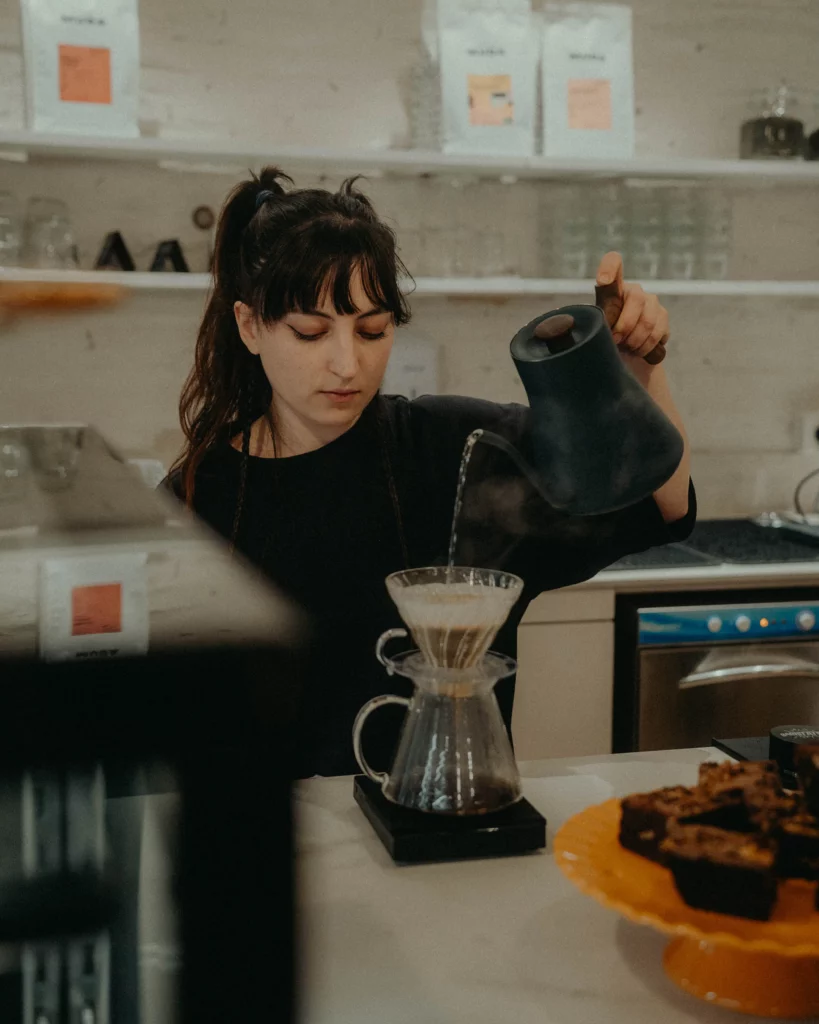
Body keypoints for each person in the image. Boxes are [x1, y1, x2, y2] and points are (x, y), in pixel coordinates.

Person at [169, 167, 694, 778]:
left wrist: (636, 368)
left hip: (452, 827)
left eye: (372, 330)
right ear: (249, 326)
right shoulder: (196, 500)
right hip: (279, 853)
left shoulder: (463, 451)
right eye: (311, 332)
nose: (347, 363)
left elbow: (659, 502)